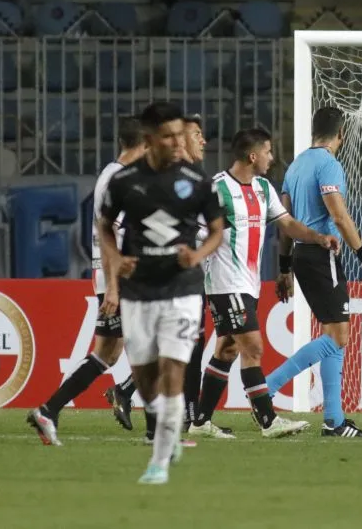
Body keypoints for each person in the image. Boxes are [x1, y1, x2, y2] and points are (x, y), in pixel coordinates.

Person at [98, 102, 224, 485]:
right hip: (140, 291)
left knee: (174, 371)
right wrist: (117, 261)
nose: (175, 142)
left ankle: (159, 461)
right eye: (167, 136)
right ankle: (166, 426)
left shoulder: (196, 181)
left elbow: (217, 231)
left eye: (178, 135)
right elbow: (104, 225)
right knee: (145, 378)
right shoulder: (123, 182)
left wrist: (197, 254)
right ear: (150, 138)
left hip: (183, 289)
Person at [191, 128, 339, 439]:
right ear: (253, 155)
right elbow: (195, 233)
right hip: (224, 283)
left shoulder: (263, 188)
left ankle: (201, 419)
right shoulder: (216, 189)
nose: (272, 158)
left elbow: (287, 224)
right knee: (253, 347)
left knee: (228, 349)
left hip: (249, 284)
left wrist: (318, 238)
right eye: (269, 152)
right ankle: (268, 420)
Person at [267, 106, 362, 438]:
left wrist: (284, 268)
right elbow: (339, 216)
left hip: (302, 256)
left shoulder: (295, 167)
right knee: (339, 336)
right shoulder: (329, 165)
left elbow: (284, 223)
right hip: (324, 254)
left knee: (335, 336)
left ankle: (334, 421)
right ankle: (266, 388)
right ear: (341, 136)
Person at [28, 117, 146, 446]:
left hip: (112, 277)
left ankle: (49, 410)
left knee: (107, 353)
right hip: (117, 278)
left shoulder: (113, 175)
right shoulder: (116, 179)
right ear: (143, 144)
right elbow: (111, 237)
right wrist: (114, 287)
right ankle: (158, 432)